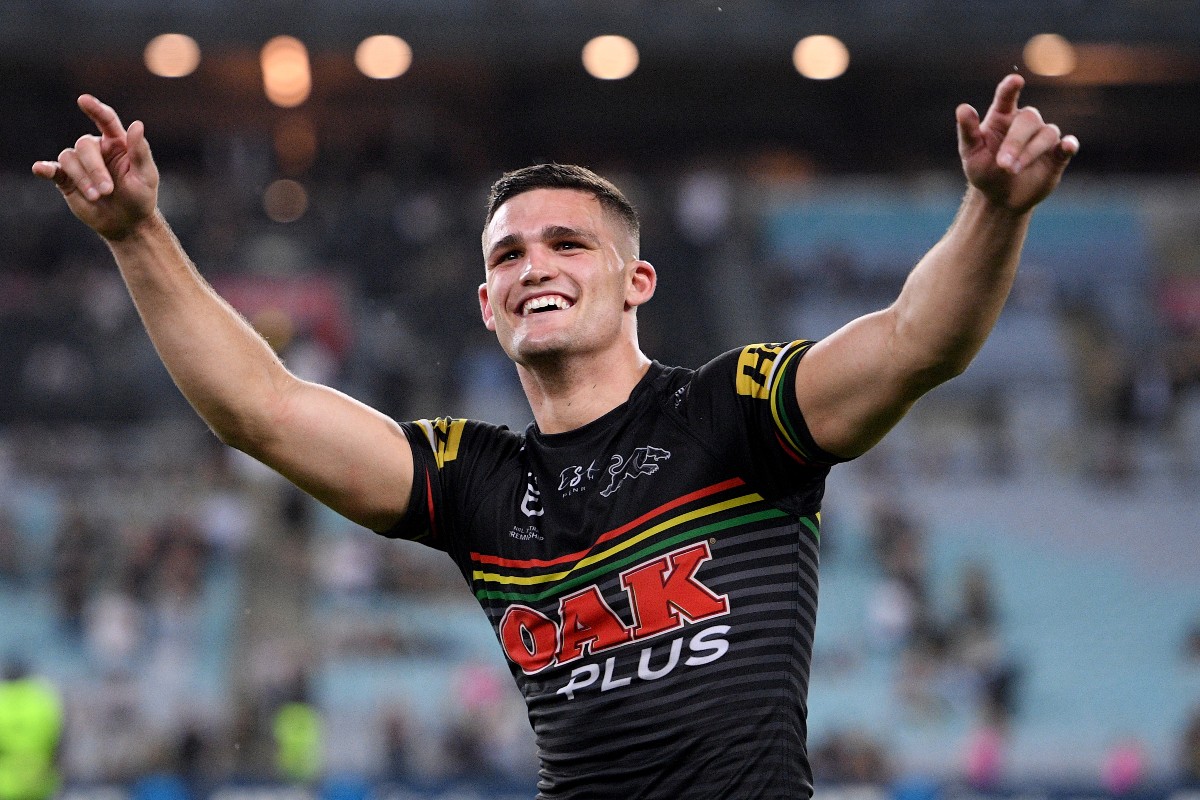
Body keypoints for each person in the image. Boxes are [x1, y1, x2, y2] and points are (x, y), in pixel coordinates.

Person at [33, 74, 1077, 798]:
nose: (535, 264)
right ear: (487, 305)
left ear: (637, 282)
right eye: (509, 255)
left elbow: (913, 344)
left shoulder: (732, 413)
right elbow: (260, 408)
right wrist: (137, 233)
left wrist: (993, 211)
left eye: (569, 243)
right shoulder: (475, 480)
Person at [0, 660, 64, 800]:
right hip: (39, 783)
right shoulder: (43, 700)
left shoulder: (2, 700)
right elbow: (58, 741)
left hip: (4, 785)